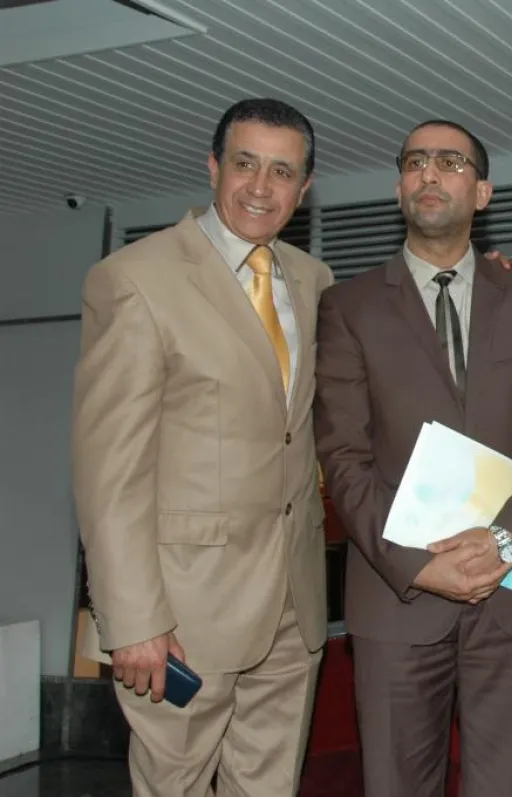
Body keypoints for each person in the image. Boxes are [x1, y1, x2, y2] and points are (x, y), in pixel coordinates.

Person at [73, 97, 334, 796]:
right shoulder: (136, 278)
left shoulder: (312, 282)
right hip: (184, 616)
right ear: (214, 167)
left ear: (304, 187)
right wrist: (133, 620)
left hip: (293, 609)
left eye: (282, 172)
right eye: (245, 164)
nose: (261, 187)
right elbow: (109, 471)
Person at [313, 119, 512, 797]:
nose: (429, 173)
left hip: (510, 592)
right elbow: (344, 456)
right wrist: (419, 565)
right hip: (396, 594)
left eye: (451, 162)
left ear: (482, 192)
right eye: (416, 162)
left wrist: (506, 542)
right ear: (399, 186)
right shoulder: (346, 307)